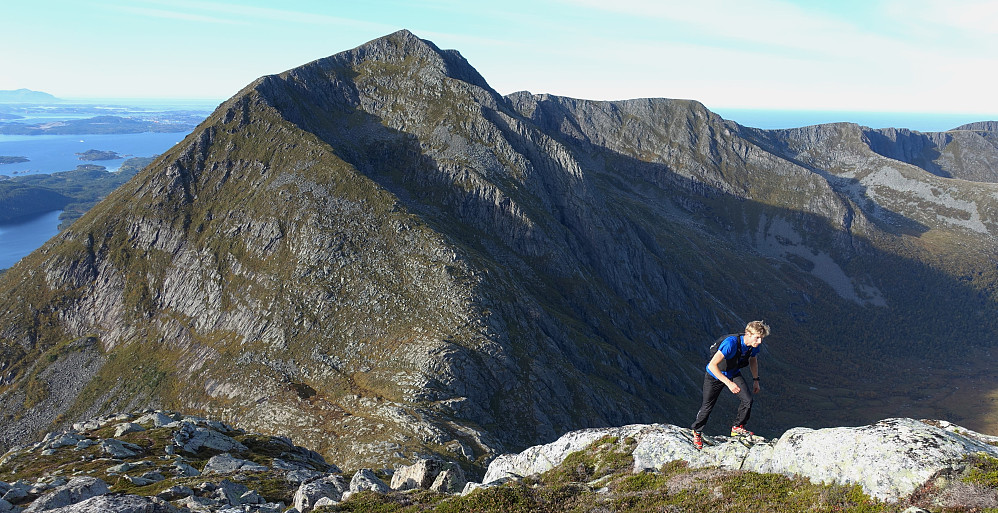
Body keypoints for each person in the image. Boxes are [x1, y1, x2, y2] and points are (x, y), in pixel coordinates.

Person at [690, 320, 770, 449]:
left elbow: (753, 360)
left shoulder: (753, 346)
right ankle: (697, 432)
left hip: (732, 372)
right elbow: (712, 365)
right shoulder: (730, 344)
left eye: (761, 338)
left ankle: (737, 427)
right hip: (714, 375)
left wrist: (756, 380)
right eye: (757, 338)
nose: (760, 342)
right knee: (707, 406)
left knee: (747, 400)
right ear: (748, 334)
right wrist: (729, 383)